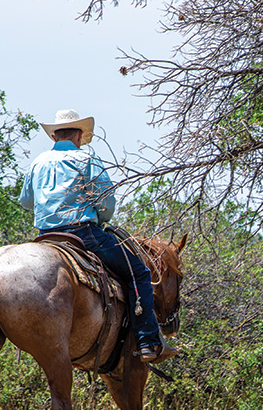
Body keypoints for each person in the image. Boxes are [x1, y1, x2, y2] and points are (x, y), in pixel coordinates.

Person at [18, 109, 176, 363]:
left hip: (46, 237)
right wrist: (102, 219)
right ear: (79, 136)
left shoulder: (38, 162)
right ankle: (148, 341)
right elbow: (106, 204)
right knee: (139, 273)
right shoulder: (86, 160)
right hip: (83, 234)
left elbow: (26, 202)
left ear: (54, 137)